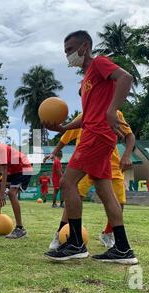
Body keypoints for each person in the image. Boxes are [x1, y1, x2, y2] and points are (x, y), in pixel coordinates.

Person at [42, 30, 138, 264]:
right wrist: (64, 128)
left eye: (70, 50)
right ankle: (123, 249)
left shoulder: (99, 64)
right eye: (65, 52)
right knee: (106, 193)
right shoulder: (86, 80)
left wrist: (111, 110)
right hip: (95, 134)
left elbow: (126, 78)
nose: (68, 56)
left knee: (67, 182)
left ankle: (75, 243)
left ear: (84, 46)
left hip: (97, 136)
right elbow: (86, 116)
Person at [44, 111, 135, 250]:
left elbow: (129, 135)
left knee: (119, 201)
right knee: (74, 194)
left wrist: (126, 155)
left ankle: (109, 234)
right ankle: (61, 233)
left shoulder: (115, 112)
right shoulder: (83, 115)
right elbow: (66, 136)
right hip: (85, 160)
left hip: (110, 162)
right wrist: (55, 151)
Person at [0, 129, 33, 239]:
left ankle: (20, 228)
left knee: (12, 194)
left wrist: (2, 193)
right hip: (13, 171)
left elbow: (4, 171)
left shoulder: (1, 149)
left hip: (24, 168)